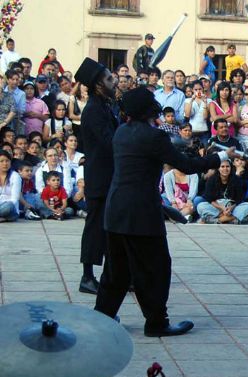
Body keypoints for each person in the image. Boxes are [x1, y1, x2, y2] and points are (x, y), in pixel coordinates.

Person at [95, 87, 233, 336]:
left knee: (116, 270)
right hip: (141, 213)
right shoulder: (154, 137)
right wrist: (220, 156)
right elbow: (188, 165)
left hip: (116, 210)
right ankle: (156, 323)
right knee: (155, 268)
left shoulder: (121, 132)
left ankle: (102, 318)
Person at [76, 57, 118, 295]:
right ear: (99, 85)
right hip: (100, 177)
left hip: (108, 175)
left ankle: (115, 274)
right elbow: (108, 142)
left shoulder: (104, 105)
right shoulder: (93, 109)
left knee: (110, 227)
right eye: (109, 79)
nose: (114, 82)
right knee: (95, 227)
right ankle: (87, 277)